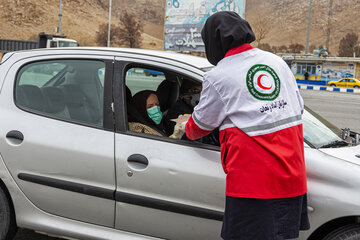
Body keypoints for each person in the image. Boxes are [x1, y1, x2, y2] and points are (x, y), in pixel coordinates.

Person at [184, 11, 309, 240]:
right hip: (292, 175)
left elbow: (200, 125)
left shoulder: (219, 76)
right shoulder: (276, 62)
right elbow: (297, 108)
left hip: (254, 185)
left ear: (213, 41)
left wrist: (184, 126)